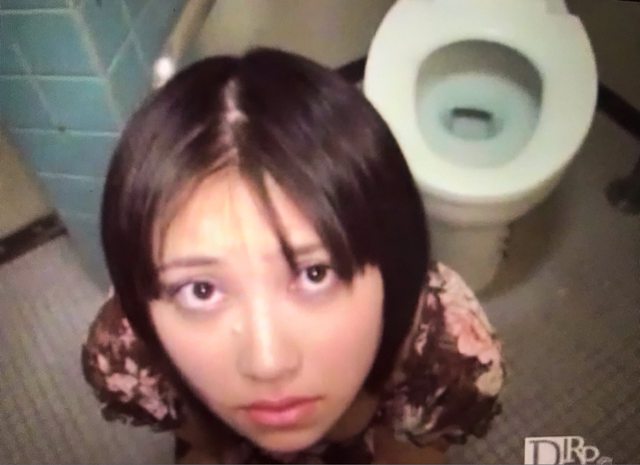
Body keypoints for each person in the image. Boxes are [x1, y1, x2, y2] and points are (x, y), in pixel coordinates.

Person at [81, 48, 504, 464]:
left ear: (393, 262)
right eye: (201, 290)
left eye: (315, 273)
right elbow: (206, 445)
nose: (268, 364)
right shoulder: (128, 349)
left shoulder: (446, 350)